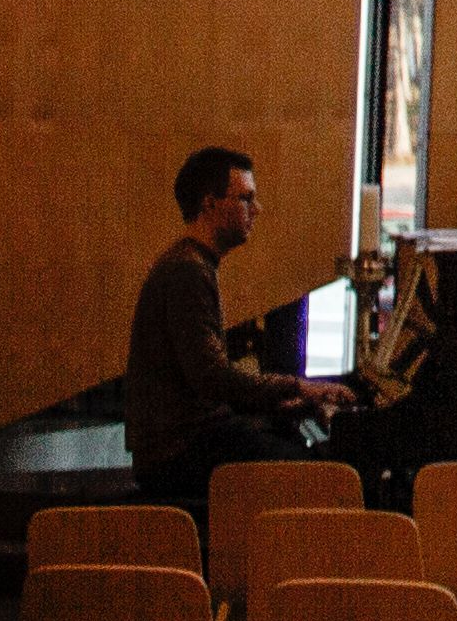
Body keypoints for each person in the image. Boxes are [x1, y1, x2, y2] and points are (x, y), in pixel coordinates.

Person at [126, 146, 348, 506]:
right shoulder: (187, 271)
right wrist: (296, 387)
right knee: (318, 477)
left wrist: (277, 401)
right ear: (210, 204)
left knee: (287, 443)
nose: (256, 210)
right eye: (246, 198)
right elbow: (212, 377)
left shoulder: (192, 264)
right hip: (175, 454)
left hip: (188, 438)